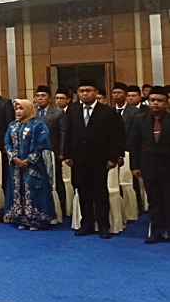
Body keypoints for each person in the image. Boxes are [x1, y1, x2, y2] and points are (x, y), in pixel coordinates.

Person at [63, 79, 125, 239]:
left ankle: (103, 225)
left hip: (100, 159)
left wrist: (113, 158)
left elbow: (116, 137)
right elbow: (68, 134)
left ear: (96, 93)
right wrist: (67, 154)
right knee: (83, 192)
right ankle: (87, 224)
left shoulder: (108, 112)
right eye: (81, 91)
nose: (85, 94)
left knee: (100, 192)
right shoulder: (72, 110)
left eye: (88, 90)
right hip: (79, 159)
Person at [4, 99, 56, 231]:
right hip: (16, 166)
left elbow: (41, 144)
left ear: (28, 109)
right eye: (16, 109)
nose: (18, 111)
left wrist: (28, 160)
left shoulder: (38, 125)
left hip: (33, 165)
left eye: (21, 109)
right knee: (17, 189)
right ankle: (20, 218)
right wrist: (14, 158)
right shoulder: (12, 125)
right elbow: (7, 142)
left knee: (33, 190)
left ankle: (35, 220)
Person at [130, 86, 170, 243]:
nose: (156, 103)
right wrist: (134, 166)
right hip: (148, 166)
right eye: (153, 100)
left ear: (166, 102)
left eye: (160, 100)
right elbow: (134, 144)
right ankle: (156, 232)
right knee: (153, 201)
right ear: (148, 101)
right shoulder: (139, 119)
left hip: (167, 167)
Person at [34, 85, 67, 213]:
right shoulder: (32, 112)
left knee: (56, 180)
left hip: (53, 151)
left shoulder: (58, 112)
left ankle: (60, 208)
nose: (40, 98)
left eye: (43, 96)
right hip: (35, 152)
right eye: (38, 96)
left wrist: (62, 152)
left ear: (49, 98)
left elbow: (63, 133)